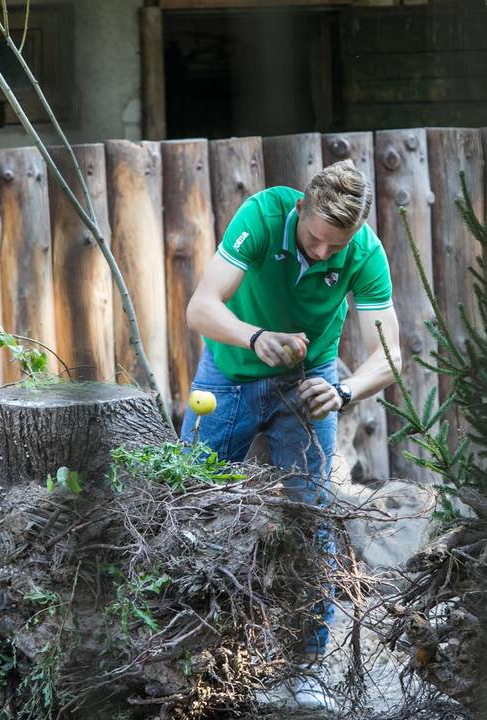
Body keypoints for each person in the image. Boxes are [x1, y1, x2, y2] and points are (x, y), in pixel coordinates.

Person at [183, 159, 401, 710]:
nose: (323, 252)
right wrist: (255, 337)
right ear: (300, 209)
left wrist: (346, 391)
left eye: (337, 244)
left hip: (309, 383)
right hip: (229, 373)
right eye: (315, 239)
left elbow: (392, 354)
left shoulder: (365, 251)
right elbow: (201, 308)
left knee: (312, 518)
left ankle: (303, 667)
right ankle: (188, 657)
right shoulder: (262, 213)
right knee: (192, 506)